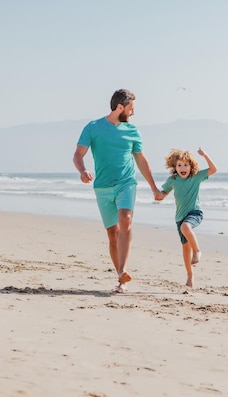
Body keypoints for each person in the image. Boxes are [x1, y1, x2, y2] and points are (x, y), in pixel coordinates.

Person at [73, 89, 164, 293]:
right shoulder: (94, 127)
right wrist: (83, 170)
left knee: (126, 219)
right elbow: (78, 154)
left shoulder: (133, 131)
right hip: (103, 187)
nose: (133, 113)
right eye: (131, 108)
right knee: (112, 234)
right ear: (120, 107)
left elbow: (140, 159)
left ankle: (123, 270)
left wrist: (154, 187)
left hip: (126, 183)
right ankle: (120, 278)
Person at [158, 147, 217, 287]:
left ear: (191, 166)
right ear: (175, 167)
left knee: (186, 227)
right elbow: (163, 193)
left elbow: (214, 169)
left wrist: (205, 155)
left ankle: (197, 251)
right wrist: (158, 195)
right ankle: (190, 276)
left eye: (186, 165)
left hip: (195, 213)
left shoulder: (196, 177)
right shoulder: (173, 180)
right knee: (185, 249)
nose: (182, 168)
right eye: (179, 165)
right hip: (180, 217)